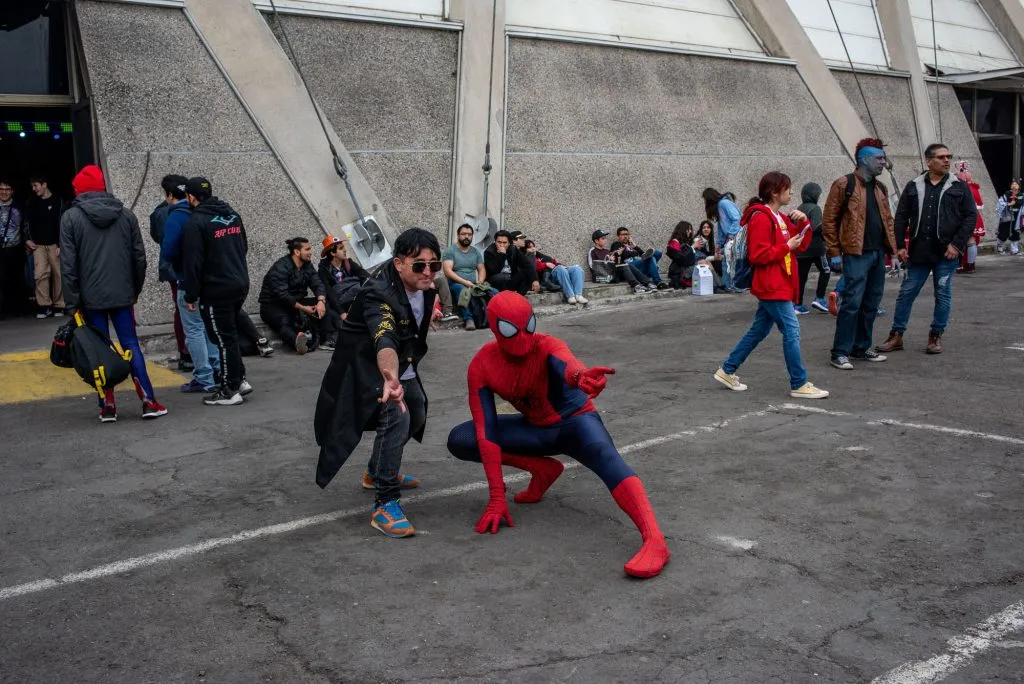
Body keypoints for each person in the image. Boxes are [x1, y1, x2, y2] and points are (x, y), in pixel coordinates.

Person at [446, 291, 670, 578]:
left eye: (528, 325)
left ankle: (655, 540)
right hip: (537, 431)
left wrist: (582, 378)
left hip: (575, 423)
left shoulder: (546, 345)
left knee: (606, 457)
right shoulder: (483, 365)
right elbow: (485, 432)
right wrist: (496, 497)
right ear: (494, 327)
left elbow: (565, 363)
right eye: (509, 329)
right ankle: (543, 469)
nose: (522, 337)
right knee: (462, 439)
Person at [314, 228, 443, 538]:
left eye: (434, 264)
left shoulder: (426, 286)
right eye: (419, 265)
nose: (428, 271)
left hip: (405, 365)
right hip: (367, 370)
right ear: (398, 264)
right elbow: (383, 334)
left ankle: (375, 471)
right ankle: (385, 502)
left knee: (418, 414)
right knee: (397, 418)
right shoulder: (378, 293)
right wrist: (390, 376)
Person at [59, 165, 168, 421]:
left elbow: (68, 265)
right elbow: (139, 257)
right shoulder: (126, 215)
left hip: (90, 297)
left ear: (79, 190)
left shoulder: (71, 218)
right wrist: (135, 289)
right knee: (131, 344)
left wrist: (72, 302)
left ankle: (108, 405)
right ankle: (148, 400)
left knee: (100, 348)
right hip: (122, 293)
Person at [713, 171, 829, 399]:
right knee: (791, 331)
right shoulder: (761, 217)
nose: (792, 193)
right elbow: (758, 255)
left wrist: (803, 223)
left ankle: (727, 369)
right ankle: (799, 383)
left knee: (759, 330)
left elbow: (801, 244)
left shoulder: (778, 216)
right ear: (775, 193)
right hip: (772, 284)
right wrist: (787, 246)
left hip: (778, 283)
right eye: (788, 189)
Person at [876, 143, 978, 355]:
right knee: (906, 293)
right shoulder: (914, 185)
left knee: (942, 293)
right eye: (941, 157)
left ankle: (935, 336)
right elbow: (901, 216)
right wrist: (900, 247)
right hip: (918, 252)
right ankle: (896, 335)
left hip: (947, 253)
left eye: (948, 156)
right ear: (928, 161)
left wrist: (957, 245)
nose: (946, 160)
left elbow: (971, 216)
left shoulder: (959, 186)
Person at [821, 139, 897, 369]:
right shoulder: (845, 184)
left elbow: (888, 222)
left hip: (876, 254)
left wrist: (892, 252)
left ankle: (861, 347)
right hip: (855, 253)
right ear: (864, 159)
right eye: (879, 158)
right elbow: (829, 220)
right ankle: (840, 352)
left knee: (871, 303)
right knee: (852, 302)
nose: (883, 162)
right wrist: (834, 251)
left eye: (883, 158)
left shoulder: (880, 188)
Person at [160, 176, 220, 393]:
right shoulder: (205, 212)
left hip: (188, 279)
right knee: (207, 326)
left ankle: (204, 377)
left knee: (193, 329)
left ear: (169, 195)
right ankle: (216, 370)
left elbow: (168, 251)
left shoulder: (176, 216)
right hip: (209, 278)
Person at [258, 237, 328, 354]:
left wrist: (321, 301)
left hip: (295, 304)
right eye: (307, 249)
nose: (310, 252)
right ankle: (297, 341)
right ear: (297, 252)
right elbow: (283, 296)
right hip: (272, 305)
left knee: (325, 304)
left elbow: (317, 283)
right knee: (284, 321)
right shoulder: (281, 267)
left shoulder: (307, 265)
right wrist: (304, 308)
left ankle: (328, 339)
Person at [149, 175, 190, 370]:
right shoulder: (195, 207)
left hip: (174, 268)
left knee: (181, 309)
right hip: (192, 267)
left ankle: (185, 353)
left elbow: (159, 238)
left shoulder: (161, 212)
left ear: (168, 193)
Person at [317, 235, 370, 350]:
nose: (345, 250)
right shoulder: (323, 269)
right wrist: (341, 312)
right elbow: (329, 292)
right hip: (337, 301)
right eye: (341, 248)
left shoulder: (348, 263)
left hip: (352, 298)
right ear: (332, 253)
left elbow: (364, 276)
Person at [24, 175, 66, 319]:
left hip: (55, 243)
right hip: (38, 245)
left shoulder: (58, 201)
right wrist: (27, 239)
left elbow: (63, 223)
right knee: (40, 274)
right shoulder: (31, 202)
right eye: (33, 186)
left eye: (36, 185)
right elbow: (26, 222)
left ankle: (59, 305)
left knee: (58, 274)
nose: (34, 189)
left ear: (44, 184)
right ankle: (44, 306)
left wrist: (61, 243)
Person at [442, 222, 488, 330]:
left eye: (469, 234)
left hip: (472, 284)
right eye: (463, 234)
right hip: (455, 284)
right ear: (458, 235)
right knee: (461, 289)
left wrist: (480, 282)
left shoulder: (476, 252)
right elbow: (448, 271)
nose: (467, 236)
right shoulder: (450, 251)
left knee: (492, 291)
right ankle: (469, 319)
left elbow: (481, 269)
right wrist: (464, 282)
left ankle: (490, 317)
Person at [794, 182, 830, 315]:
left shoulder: (799, 207)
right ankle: (819, 298)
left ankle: (797, 304)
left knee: (801, 277)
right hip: (816, 248)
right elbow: (816, 227)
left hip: (801, 249)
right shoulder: (815, 209)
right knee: (826, 270)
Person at [523, 238, 588, 304]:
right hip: (549, 282)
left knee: (576, 268)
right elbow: (534, 267)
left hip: (559, 276)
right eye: (530, 247)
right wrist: (546, 264)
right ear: (524, 250)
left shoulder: (542, 256)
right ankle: (570, 296)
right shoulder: (525, 258)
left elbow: (555, 263)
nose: (533, 248)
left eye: (534, 246)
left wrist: (564, 266)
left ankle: (578, 295)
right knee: (559, 268)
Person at [587, 230, 655, 292]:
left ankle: (648, 283)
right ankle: (636, 286)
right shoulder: (593, 251)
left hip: (612, 275)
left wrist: (618, 256)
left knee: (627, 265)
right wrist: (608, 261)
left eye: (605, 238)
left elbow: (615, 264)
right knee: (624, 266)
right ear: (596, 241)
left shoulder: (607, 251)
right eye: (603, 238)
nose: (605, 240)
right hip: (601, 277)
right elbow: (592, 266)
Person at [703, 187, 742, 291]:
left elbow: (737, 218)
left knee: (732, 262)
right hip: (731, 239)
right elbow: (721, 228)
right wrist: (719, 246)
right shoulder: (720, 206)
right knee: (726, 261)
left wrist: (731, 234)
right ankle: (728, 286)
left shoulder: (724, 203)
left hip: (736, 238)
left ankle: (735, 286)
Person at [0, 178, 28, 319]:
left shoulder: (19, 206)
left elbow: (25, 225)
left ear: (12, 191)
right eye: (1, 189)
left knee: (16, 279)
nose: (4, 192)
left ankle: (18, 309)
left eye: (7, 189)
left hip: (15, 248)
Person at [484, 230, 540, 295]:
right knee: (503, 277)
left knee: (526, 272)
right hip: (495, 280)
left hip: (510, 278)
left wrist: (535, 280)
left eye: (504, 242)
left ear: (509, 243)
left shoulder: (513, 249)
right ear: (495, 242)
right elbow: (494, 270)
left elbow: (526, 264)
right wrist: (502, 255)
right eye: (499, 242)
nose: (501, 245)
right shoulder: (489, 252)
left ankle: (519, 296)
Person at [953, 161, 984, 273]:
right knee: (972, 242)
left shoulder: (963, 188)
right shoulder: (974, 188)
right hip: (976, 216)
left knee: (969, 241)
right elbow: (980, 205)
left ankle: (969, 266)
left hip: (966, 217)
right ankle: (969, 264)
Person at [666, 221, 696, 289]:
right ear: (683, 229)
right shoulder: (674, 242)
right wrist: (692, 247)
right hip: (680, 273)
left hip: (686, 270)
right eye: (689, 229)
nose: (690, 231)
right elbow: (681, 258)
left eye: (691, 229)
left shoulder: (686, 242)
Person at [995, 178, 1022, 255]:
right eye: (1012, 184)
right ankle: (999, 247)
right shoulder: (1006, 195)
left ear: (1019, 186)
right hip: (1007, 216)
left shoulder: (1022, 195)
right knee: (1004, 232)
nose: (1014, 186)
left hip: (1017, 216)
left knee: (1016, 232)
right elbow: (999, 204)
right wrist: (1009, 204)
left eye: (1016, 184)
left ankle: (1014, 250)